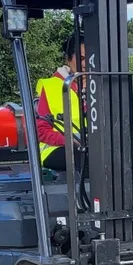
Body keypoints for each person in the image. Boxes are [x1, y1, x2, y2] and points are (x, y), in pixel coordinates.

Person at [35, 35, 85, 170]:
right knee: (86, 159)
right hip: (56, 147)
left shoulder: (99, 84)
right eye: (81, 59)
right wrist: (69, 140)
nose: (85, 64)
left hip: (89, 145)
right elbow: (41, 131)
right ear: (68, 60)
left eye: (89, 59)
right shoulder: (52, 87)